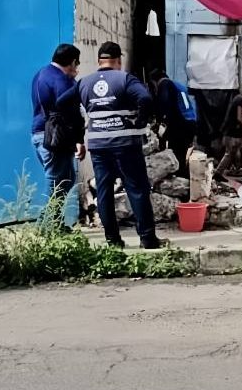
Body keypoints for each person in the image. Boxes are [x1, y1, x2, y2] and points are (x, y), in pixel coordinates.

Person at [75, 42, 164, 249]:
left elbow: (63, 102)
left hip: (98, 146)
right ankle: (148, 239)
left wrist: (79, 135)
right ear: (119, 60)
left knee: (104, 191)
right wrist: (140, 121)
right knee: (137, 189)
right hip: (125, 145)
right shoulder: (125, 78)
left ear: (99, 61)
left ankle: (113, 241)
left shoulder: (84, 83)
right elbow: (145, 98)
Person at [30, 43, 86, 227]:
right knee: (55, 179)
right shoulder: (63, 81)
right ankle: (46, 224)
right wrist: (79, 139)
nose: (76, 68)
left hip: (40, 134)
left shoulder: (41, 74)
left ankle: (53, 219)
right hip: (55, 137)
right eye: (76, 64)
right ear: (71, 62)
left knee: (67, 177)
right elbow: (72, 112)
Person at [148, 69, 197, 178]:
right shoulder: (178, 85)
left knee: (176, 156)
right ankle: (184, 180)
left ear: (155, 81)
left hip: (181, 124)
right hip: (190, 122)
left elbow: (165, 104)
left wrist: (162, 124)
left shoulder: (164, 84)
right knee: (181, 154)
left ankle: (180, 184)